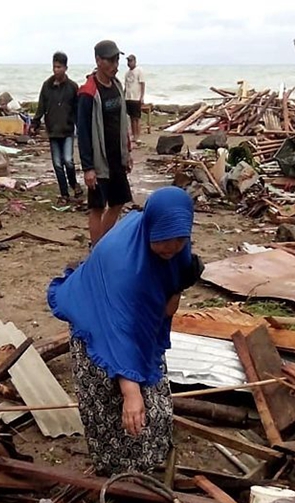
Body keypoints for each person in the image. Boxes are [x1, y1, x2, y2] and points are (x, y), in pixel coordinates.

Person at [47, 186, 204, 476]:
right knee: (112, 403)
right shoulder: (122, 266)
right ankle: (117, 474)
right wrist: (130, 392)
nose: (171, 248)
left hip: (137, 321)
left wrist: (179, 285)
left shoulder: (176, 245)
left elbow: (167, 310)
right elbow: (119, 333)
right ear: (150, 229)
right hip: (98, 320)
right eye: (163, 240)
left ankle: (149, 465)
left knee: (152, 398)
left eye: (179, 240)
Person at [77, 39, 133, 246]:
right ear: (98, 61)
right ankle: (96, 250)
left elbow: (123, 122)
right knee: (97, 207)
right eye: (110, 60)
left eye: (117, 60)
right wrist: (88, 168)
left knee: (118, 202)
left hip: (116, 157)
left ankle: (103, 245)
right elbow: (83, 132)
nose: (115, 65)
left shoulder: (117, 86)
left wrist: (127, 152)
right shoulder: (88, 93)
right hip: (99, 161)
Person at [32, 51, 82, 205]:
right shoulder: (47, 86)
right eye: (54, 67)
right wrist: (35, 123)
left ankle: (74, 184)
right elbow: (41, 106)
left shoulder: (72, 87)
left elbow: (77, 110)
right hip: (53, 130)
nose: (56, 70)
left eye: (59, 67)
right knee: (57, 164)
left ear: (65, 68)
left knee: (68, 161)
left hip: (67, 129)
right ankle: (64, 193)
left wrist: (81, 128)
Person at [124, 54, 146, 145]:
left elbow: (142, 84)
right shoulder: (127, 73)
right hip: (128, 97)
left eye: (131, 61)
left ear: (135, 61)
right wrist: (123, 95)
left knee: (137, 118)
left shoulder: (139, 71)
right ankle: (133, 135)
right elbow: (126, 86)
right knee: (131, 118)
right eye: (128, 61)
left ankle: (138, 136)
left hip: (136, 97)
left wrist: (142, 97)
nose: (129, 63)